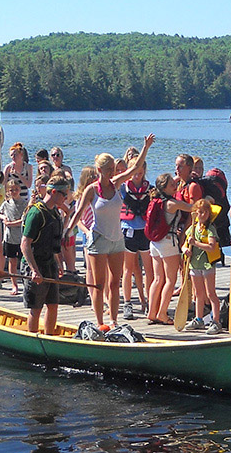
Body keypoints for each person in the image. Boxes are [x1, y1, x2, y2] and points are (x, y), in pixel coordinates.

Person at [66, 134, 155, 327]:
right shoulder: (92, 190)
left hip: (117, 240)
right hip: (98, 239)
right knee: (99, 285)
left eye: (112, 170)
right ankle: (100, 323)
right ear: (99, 170)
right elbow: (78, 213)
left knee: (116, 284)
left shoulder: (116, 184)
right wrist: (66, 232)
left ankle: (113, 321)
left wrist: (145, 147)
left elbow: (135, 169)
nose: (111, 173)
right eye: (107, 170)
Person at [22, 174, 71, 334]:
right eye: (64, 194)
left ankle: (49, 337)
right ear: (54, 193)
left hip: (50, 263)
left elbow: (55, 241)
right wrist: (34, 270)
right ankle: (32, 340)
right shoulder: (36, 213)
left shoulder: (56, 213)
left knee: (53, 304)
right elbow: (25, 244)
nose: (66, 198)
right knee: (36, 308)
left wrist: (59, 263)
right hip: (35, 264)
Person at [145, 173, 193, 325]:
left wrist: (175, 181)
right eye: (172, 184)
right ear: (165, 188)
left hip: (154, 243)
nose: (175, 185)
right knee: (170, 280)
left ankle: (151, 312)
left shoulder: (156, 200)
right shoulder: (173, 204)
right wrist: (207, 201)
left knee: (158, 279)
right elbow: (192, 208)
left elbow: (170, 188)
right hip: (168, 242)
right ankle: (163, 313)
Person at [183, 199, 224, 334]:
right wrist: (185, 249)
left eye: (203, 212)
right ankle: (199, 318)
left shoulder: (210, 229)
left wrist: (195, 244)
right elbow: (184, 244)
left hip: (207, 265)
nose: (200, 215)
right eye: (198, 212)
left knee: (211, 293)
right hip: (195, 264)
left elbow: (212, 247)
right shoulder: (193, 228)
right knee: (198, 294)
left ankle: (216, 321)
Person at [120, 156, 153, 320]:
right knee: (128, 269)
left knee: (149, 270)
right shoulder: (123, 188)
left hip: (145, 232)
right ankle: (127, 303)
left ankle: (149, 302)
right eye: (134, 173)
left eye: (140, 173)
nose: (137, 176)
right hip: (129, 231)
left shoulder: (150, 189)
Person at [0, 179, 27, 295]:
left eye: (16, 189)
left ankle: (26, 283)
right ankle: (14, 285)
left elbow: (24, 219)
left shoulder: (25, 203)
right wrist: (3, 217)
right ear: (8, 191)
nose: (14, 192)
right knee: (12, 261)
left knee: (24, 262)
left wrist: (12, 224)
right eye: (11, 190)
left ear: (20, 190)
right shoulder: (6, 204)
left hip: (21, 237)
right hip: (9, 237)